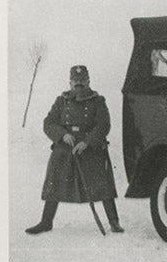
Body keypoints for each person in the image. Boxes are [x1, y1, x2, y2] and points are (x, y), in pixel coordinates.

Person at [26, 65, 123, 234]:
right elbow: (48, 123)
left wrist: (87, 142)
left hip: (90, 147)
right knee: (54, 180)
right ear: (70, 82)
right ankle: (46, 221)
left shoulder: (98, 101)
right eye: (75, 81)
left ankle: (114, 222)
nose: (79, 84)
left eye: (82, 80)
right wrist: (63, 135)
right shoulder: (61, 101)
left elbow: (104, 125)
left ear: (88, 81)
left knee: (103, 184)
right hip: (66, 146)